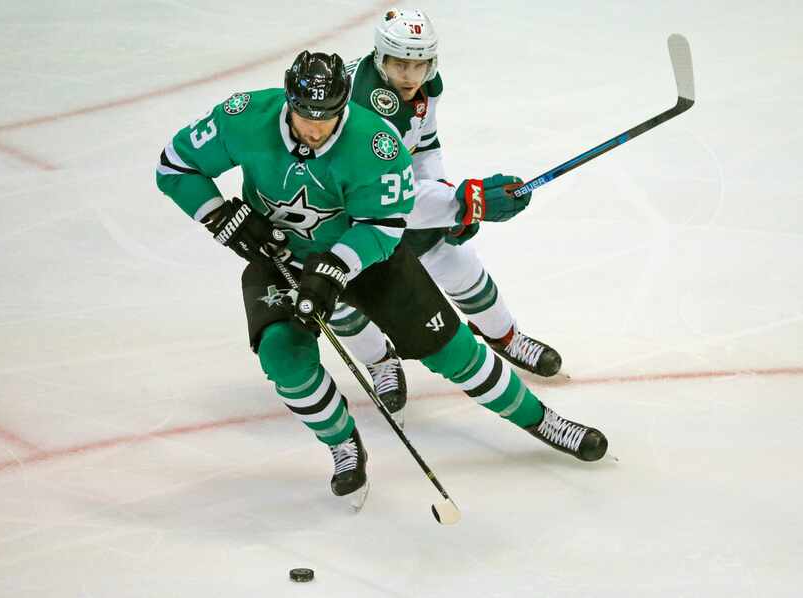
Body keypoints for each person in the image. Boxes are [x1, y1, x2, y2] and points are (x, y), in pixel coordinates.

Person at [155, 50, 607, 506]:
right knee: (283, 357)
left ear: (344, 107)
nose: (314, 130)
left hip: (366, 262)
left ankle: (541, 419)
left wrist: (335, 267)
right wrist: (219, 216)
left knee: (453, 351)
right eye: (304, 116)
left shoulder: (376, 144)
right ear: (287, 100)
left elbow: (386, 225)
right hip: (280, 260)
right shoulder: (245, 115)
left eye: (327, 119)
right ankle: (343, 447)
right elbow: (174, 165)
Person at [332, 8, 563, 425]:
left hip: (389, 197)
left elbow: (423, 149)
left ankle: (506, 335)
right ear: (380, 57)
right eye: (400, 63)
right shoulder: (366, 109)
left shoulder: (424, 88)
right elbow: (386, 197)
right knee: (344, 296)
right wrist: (457, 201)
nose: (409, 74)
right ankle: (380, 359)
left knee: (454, 259)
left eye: (418, 64)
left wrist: (445, 197)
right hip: (341, 212)